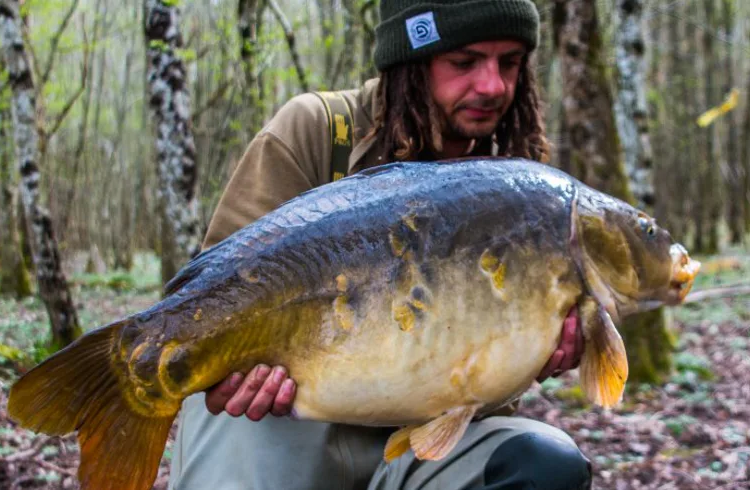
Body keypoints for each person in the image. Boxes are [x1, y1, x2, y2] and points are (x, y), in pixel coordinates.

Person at [169, 0, 592, 488]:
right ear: (410, 61)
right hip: (283, 427)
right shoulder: (317, 131)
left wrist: (528, 357)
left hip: (410, 448)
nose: (493, 85)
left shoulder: (520, 193)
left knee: (544, 465)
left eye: (510, 62)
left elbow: (469, 397)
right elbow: (207, 306)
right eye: (464, 62)